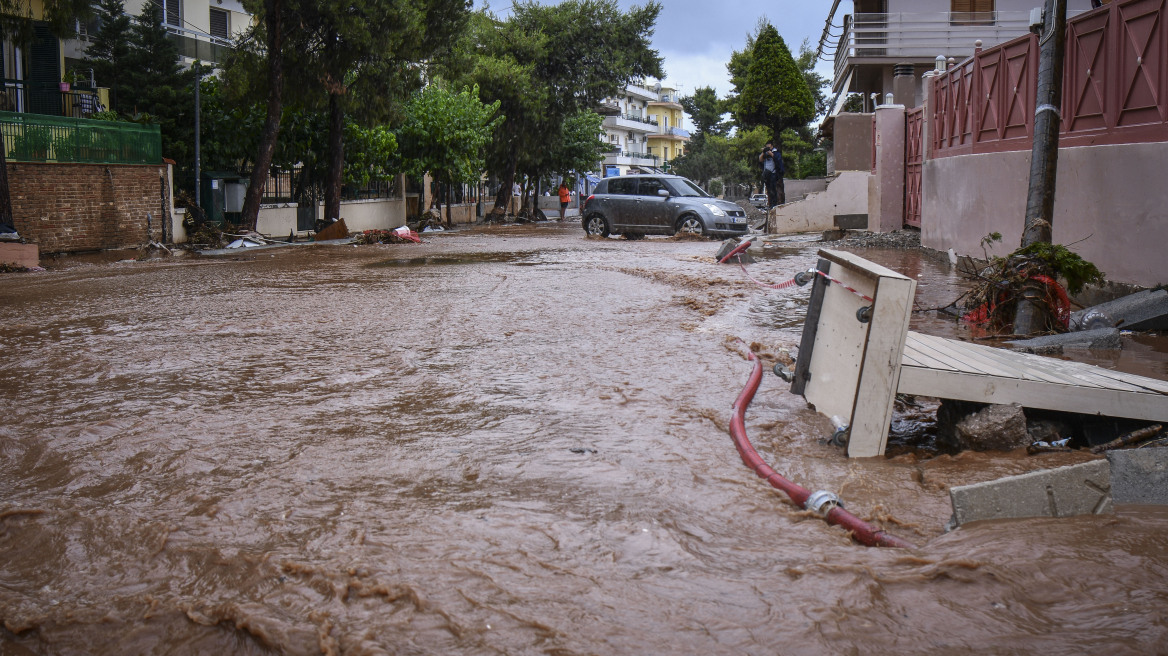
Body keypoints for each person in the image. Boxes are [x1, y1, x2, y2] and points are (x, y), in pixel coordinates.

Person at [758, 140, 785, 209]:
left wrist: (770, 153)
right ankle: (770, 204)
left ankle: (774, 204)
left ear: (772, 146)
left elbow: (777, 159)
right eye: (767, 147)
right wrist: (763, 152)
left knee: (773, 190)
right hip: (766, 173)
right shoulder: (765, 153)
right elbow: (760, 160)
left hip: (773, 173)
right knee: (769, 190)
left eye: (769, 147)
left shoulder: (775, 152)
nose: (768, 148)